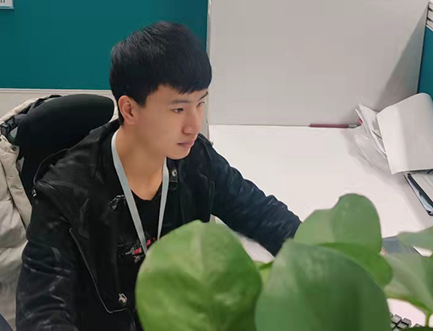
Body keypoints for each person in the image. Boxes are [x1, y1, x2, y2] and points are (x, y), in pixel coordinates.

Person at [16, 22, 300, 331]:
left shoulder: (195, 160)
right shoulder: (65, 194)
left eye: (201, 103)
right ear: (130, 110)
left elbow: (262, 214)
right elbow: (42, 312)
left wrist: (324, 266)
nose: (194, 125)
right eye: (178, 109)